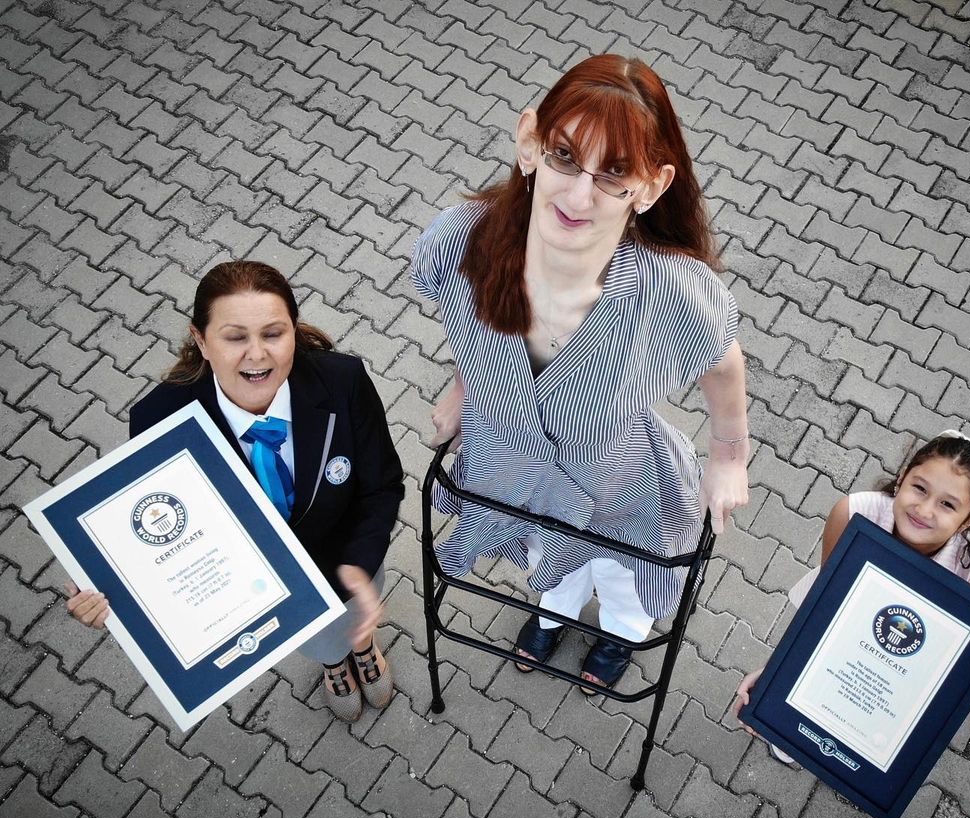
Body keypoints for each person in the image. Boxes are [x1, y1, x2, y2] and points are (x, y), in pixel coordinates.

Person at [412, 54, 750, 693]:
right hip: (516, 471)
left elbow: (724, 366)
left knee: (623, 585)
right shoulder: (461, 243)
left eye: (614, 173)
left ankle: (619, 636)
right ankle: (551, 618)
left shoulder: (675, 292)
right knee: (551, 569)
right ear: (530, 144)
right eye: (565, 157)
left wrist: (729, 455)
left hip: (625, 490)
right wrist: (464, 386)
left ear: (651, 187)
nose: (577, 195)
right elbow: (471, 330)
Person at [66, 261, 404, 722]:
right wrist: (105, 587)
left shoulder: (343, 381)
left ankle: (364, 649)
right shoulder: (158, 418)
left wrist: (360, 566)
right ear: (202, 341)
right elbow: (151, 528)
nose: (257, 354)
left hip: (347, 558)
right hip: (255, 588)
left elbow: (382, 485)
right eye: (235, 337)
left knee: (356, 619)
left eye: (273, 333)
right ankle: (332, 664)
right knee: (320, 641)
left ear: (293, 330)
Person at [734, 430, 970, 761]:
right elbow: (825, 612)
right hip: (847, 635)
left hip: (903, 674)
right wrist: (775, 676)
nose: (924, 509)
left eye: (947, 504)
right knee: (799, 732)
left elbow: (961, 659)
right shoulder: (853, 512)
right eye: (920, 488)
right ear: (901, 479)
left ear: (969, 519)